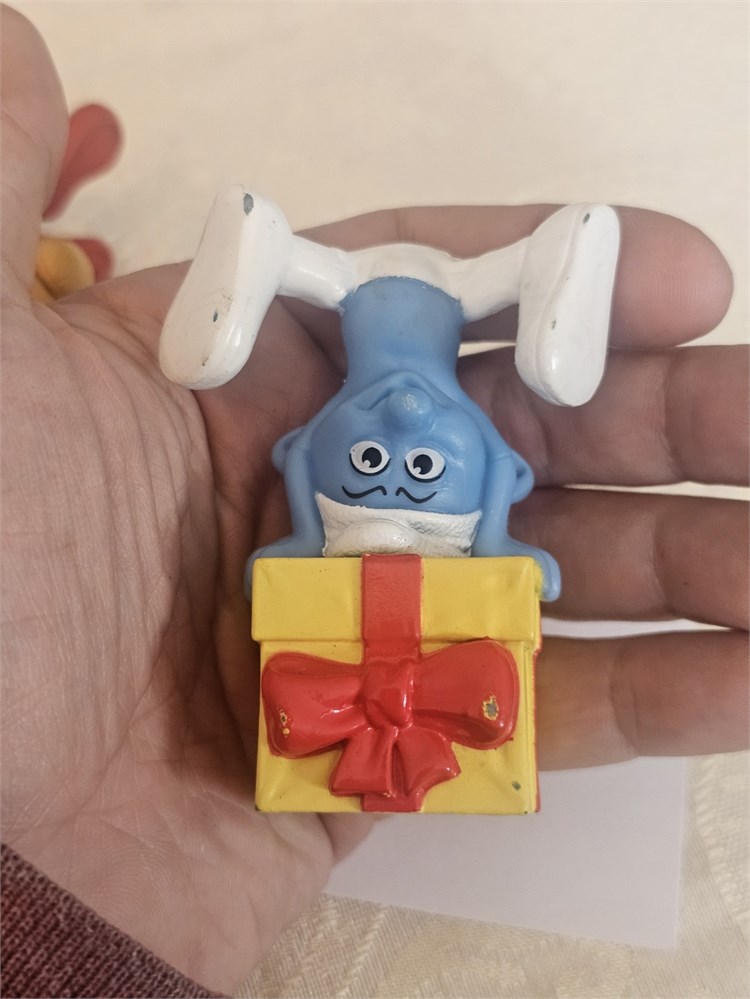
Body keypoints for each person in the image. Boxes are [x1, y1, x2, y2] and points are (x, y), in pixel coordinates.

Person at [1, 6, 747, 997]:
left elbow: (493, 491)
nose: (401, 420)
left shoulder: (468, 450)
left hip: (443, 574)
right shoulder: (322, 445)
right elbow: (308, 485)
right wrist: (295, 552)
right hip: (335, 579)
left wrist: (505, 556)